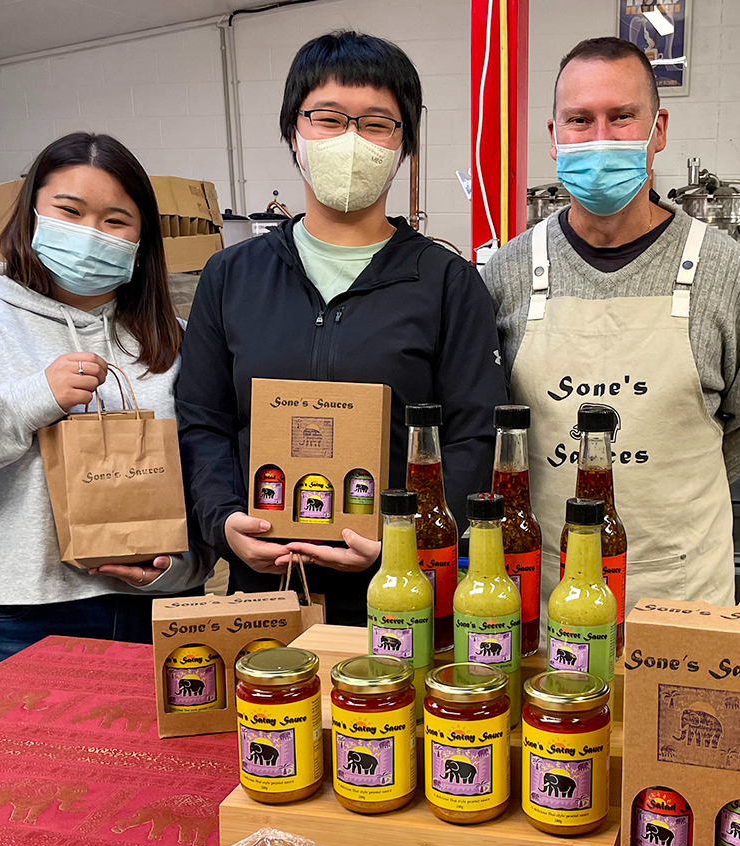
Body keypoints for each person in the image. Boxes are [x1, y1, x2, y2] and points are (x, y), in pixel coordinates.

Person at [178, 30, 507, 624]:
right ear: (293, 132)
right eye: (327, 118)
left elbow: (475, 436)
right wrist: (224, 520)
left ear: (403, 143)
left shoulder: (445, 282)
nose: (351, 140)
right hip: (268, 590)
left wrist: (407, 542)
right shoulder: (232, 277)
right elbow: (204, 421)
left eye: (377, 123)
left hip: (404, 595)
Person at [483, 37, 740, 611]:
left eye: (622, 117)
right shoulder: (508, 270)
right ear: (553, 136)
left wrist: (680, 484)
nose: (599, 138)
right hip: (545, 582)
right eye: (579, 120)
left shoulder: (723, 267)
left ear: (659, 129)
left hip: (680, 584)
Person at [0, 132, 206, 668]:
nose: (90, 234)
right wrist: (30, 402)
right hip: (24, 617)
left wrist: (181, 567)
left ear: (142, 237)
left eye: (115, 220)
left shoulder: (179, 338)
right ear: (31, 214)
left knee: (166, 755)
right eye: (70, 211)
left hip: (163, 608)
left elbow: (206, 470)